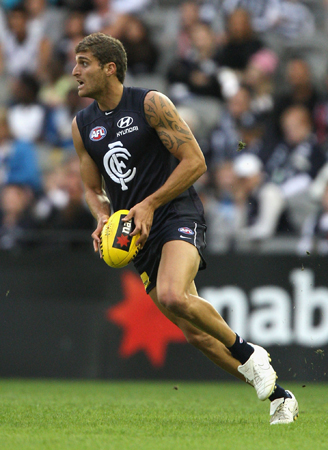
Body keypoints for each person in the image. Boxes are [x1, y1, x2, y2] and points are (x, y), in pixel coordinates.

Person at [71, 32, 299, 425]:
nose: (74, 71)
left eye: (84, 63)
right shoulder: (82, 126)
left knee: (175, 296)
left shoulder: (150, 103)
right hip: (136, 235)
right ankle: (281, 398)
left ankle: (248, 353)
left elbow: (195, 161)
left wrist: (149, 203)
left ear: (110, 68)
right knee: (196, 335)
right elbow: (93, 188)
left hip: (175, 213)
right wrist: (101, 216)